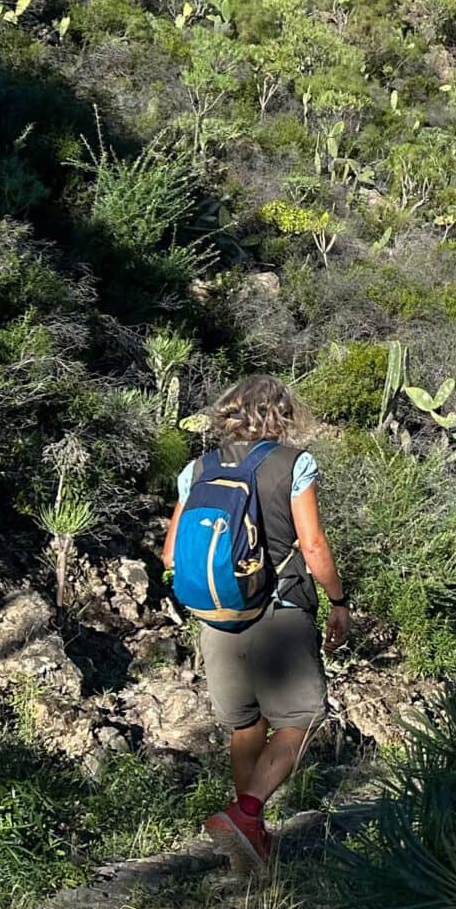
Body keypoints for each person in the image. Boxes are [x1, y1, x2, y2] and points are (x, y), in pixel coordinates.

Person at [161, 373, 350, 872]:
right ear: (281, 415)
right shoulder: (294, 464)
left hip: (216, 620)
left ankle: (251, 845)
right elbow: (312, 546)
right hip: (279, 613)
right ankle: (246, 814)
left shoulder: (197, 468)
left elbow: (168, 555)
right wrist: (338, 600)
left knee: (245, 724)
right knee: (302, 720)